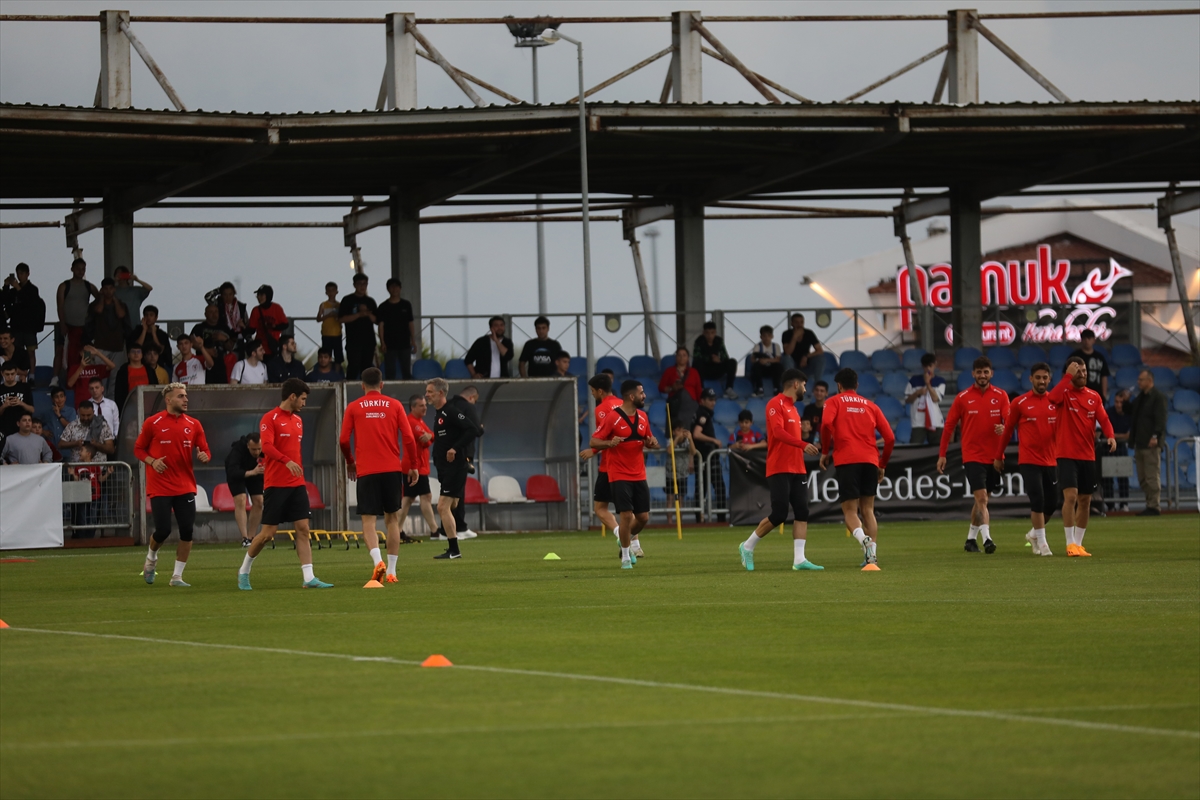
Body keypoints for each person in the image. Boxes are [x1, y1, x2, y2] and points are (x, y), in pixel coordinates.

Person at [237, 378, 333, 590]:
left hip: (297, 484)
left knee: (303, 528)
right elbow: (267, 447)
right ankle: (243, 571)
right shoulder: (269, 418)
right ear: (292, 397)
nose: (304, 403)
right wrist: (286, 461)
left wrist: (294, 466)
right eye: (303, 399)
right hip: (275, 484)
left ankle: (309, 578)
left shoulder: (298, 421)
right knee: (267, 534)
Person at [739, 368, 824, 571]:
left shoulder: (794, 409)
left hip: (797, 468)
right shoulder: (774, 404)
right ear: (795, 384)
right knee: (779, 514)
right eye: (803, 385)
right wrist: (803, 444)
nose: (805, 389)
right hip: (779, 467)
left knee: (802, 511)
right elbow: (777, 433)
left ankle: (799, 560)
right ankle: (747, 546)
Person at [340, 367, 419, 583]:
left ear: (362, 385)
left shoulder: (354, 407)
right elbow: (409, 438)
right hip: (392, 469)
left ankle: (378, 563)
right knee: (392, 520)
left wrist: (350, 462)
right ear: (382, 384)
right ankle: (392, 571)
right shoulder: (394, 405)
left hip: (367, 470)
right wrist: (413, 465)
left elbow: (344, 440)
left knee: (369, 522)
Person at [135, 383, 211, 587]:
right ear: (168, 400)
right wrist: (152, 461)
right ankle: (151, 559)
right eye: (180, 396)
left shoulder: (194, 424)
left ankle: (177, 576)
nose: (185, 399)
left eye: (186, 396)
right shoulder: (153, 422)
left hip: (185, 485)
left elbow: (205, 450)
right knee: (163, 530)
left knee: (187, 530)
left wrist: (204, 455)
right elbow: (139, 449)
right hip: (160, 485)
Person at [819, 367, 894, 570]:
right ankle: (872, 558)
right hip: (870, 460)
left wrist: (825, 450)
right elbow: (890, 438)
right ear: (857, 385)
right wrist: (882, 464)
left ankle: (864, 541)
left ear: (839, 386)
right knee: (868, 509)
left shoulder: (833, 401)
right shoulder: (871, 405)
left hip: (847, 459)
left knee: (850, 511)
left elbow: (826, 424)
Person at [937, 356, 1009, 554]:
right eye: (979, 372)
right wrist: (942, 453)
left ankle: (970, 540)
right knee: (982, 498)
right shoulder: (963, 398)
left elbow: (1009, 419)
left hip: (995, 457)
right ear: (973, 374)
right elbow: (949, 425)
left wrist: (1004, 427)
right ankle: (987, 539)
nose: (982, 375)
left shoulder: (1001, 396)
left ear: (991, 373)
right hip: (972, 455)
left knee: (982, 501)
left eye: (986, 372)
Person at [1048, 358, 1116, 556]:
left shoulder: (1094, 396)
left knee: (1085, 499)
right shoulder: (1064, 394)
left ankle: (1078, 544)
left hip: (1088, 455)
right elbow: (1051, 398)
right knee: (1070, 497)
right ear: (1069, 373)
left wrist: (1110, 435)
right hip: (1066, 455)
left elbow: (1103, 418)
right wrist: (1068, 376)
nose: (1083, 374)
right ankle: (1069, 544)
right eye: (1078, 371)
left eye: (1084, 371)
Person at [591, 379, 660, 569]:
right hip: (619, 473)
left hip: (639, 474)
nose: (644, 395)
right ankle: (626, 558)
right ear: (632, 396)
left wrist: (652, 443)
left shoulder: (643, 417)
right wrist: (609, 443)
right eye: (641, 393)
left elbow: (647, 440)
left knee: (643, 517)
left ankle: (624, 539)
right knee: (627, 515)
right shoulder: (613, 417)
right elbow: (594, 441)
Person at [993, 362, 1059, 556]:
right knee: (1037, 499)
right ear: (1030, 379)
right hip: (1029, 460)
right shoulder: (1019, 403)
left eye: (1044, 377)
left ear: (1049, 379)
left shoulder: (1055, 402)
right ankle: (1043, 543)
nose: (1041, 381)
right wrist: (999, 456)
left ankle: (1033, 534)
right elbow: (1006, 432)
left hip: (1052, 460)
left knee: (1052, 503)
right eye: (1037, 377)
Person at [425, 377, 483, 560]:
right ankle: (453, 547)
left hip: (454, 466)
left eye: (430, 392)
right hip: (444, 467)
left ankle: (454, 549)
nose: (427, 395)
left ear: (440, 393)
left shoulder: (451, 411)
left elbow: (472, 430)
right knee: (450, 506)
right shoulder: (440, 413)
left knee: (442, 507)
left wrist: (455, 448)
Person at [578, 374, 627, 545]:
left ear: (600, 391)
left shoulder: (601, 409)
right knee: (627, 509)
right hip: (627, 464)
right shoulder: (624, 404)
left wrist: (593, 450)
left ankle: (620, 534)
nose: (592, 394)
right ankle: (635, 544)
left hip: (609, 465)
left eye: (592, 391)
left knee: (600, 509)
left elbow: (605, 436)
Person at [396, 393, 440, 541]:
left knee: (408, 498)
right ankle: (434, 531)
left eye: (425, 405)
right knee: (423, 496)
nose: (425, 408)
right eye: (421, 405)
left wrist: (430, 436)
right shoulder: (412, 422)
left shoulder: (419, 421)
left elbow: (431, 436)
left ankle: (397, 531)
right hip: (414, 467)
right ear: (413, 407)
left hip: (419, 466)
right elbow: (425, 441)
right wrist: (430, 436)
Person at [1128, 369, 1167, 517]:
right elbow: (1132, 412)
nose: (1138, 382)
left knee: (1151, 476)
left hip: (1150, 443)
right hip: (1140, 443)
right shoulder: (1141, 398)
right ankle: (1149, 503)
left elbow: (1160, 419)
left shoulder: (1158, 398)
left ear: (1149, 381)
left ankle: (1154, 505)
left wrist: (1155, 436)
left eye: (1141, 380)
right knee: (1143, 477)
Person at [56, 257, 98, 381]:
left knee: (84, 354)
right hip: (68, 326)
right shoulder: (64, 286)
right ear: (72, 269)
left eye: (83, 269)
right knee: (64, 353)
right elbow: (60, 306)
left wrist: (91, 310)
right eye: (78, 269)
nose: (81, 271)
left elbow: (101, 298)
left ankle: (85, 378)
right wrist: (62, 323)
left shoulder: (88, 286)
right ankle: (58, 377)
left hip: (84, 327)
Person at [1, 263, 46, 378]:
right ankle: (17, 374)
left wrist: (18, 288)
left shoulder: (33, 289)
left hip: (29, 327)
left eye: (22, 273)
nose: (20, 276)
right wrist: (6, 286)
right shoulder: (13, 291)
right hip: (16, 326)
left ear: (27, 274)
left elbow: (30, 302)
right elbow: (5, 300)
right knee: (17, 352)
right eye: (18, 274)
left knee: (31, 352)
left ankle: (31, 375)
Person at [691, 387, 727, 521]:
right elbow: (696, 434)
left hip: (704, 457)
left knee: (702, 488)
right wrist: (714, 440)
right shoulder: (703, 414)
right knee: (716, 487)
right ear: (702, 401)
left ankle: (700, 518)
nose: (713, 403)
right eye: (710, 400)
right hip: (707, 457)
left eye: (714, 400)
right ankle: (720, 519)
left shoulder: (702, 413)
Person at [86, 277, 129, 385]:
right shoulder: (95, 304)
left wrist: (114, 300)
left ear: (114, 289)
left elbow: (121, 314)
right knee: (101, 376)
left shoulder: (121, 304)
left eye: (111, 288)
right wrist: (101, 298)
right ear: (102, 289)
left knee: (116, 377)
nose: (108, 291)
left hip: (117, 345)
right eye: (106, 289)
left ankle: (112, 401)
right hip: (101, 346)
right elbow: (98, 310)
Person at [226, 432, 265, 548]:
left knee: (259, 501)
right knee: (241, 499)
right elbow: (232, 472)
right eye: (253, 449)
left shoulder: (266, 449)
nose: (257, 452)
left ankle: (251, 538)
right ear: (248, 445)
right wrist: (251, 472)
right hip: (237, 474)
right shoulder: (237, 450)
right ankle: (244, 538)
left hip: (255, 471)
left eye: (259, 449)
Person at [339, 273, 378, 380]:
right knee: (353, 366)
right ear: (354, 285)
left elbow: (377, 320)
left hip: (369, 340)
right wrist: (359, 314)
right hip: (353, 341)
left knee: (367, 368)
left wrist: (367, 313)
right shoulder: (347, 300)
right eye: (360, 284)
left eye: (365, 284)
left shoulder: (370, 301)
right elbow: (341, 319)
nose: (362, 286)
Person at [377, 278, 416, 381]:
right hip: (389, 343)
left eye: (396, 287)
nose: (394, 289)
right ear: (388, 289)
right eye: (392, 287)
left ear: (400, 288)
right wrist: (382, 342)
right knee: (390, 370)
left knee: (406, 370)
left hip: (404, 342)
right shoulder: (383, 306)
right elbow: (380, 326)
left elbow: (410, 323)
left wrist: (413, 341)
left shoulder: (406, 305)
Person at [905, 353, 946, 445]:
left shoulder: (940, 381)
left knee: (937, 449)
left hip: (935, 421)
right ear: (922, 366)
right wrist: (917, 393)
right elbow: (907, 399)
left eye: (930, 366)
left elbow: (936, 398)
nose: (928, 369)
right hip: (918, 421)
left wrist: (928, 384)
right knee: (915, 449)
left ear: (935, 364)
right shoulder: (914, 380)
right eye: (926, 366)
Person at [659, 346, 701, 431]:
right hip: (675, 407)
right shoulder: (669, 371)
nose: (682, 357)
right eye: (679, 355)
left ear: (688, 357)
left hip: (691, 407)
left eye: (684, 355)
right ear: (676, 357)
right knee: (675, 431)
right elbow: (661, 387)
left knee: (690, 431)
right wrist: (672, 388)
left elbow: (698, 390)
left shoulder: (694, 372)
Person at [663, 420, 697, 528]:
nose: (681, 432)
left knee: (680, 498)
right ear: (674, 432)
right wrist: (676, 439)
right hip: (671, 474)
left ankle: (679, 521)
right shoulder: (670, 440)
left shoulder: (687, 441)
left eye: (682, 429)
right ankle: (669, 522)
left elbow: (693, 452)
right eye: (678, 430)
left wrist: (690, 439)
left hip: (683, 474)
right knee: (670, 498)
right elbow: (669, 450)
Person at [693, 321, 738, 400]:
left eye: (712, 333)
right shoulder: (699, 342)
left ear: (715, 332)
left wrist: (719, 361)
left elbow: (725, 357)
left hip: (716, 368)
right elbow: (697, 357)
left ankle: (729, 388)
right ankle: (701, 389)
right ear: (703, 333)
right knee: (697, 363)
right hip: (704, 370)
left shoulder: (719, 341)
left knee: (732, 362)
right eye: (707, 333)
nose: (710, 335)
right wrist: (710, 359)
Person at [191, 304, 232, 385]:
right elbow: (192, 343)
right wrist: (207, 351)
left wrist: (225, 339)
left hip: (221, 365)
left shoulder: (225, 328)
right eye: (211, 312)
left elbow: (231, 347)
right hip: (203, 365)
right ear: (205, 314)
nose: (214, 314)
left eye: (216, 312)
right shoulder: (199, 327)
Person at [781, 313, 824, 388]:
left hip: (806, 365)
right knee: (786, 358)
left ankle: (818, 385)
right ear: (792, 323)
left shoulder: (809, 333)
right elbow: (788, 352)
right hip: (792, 365)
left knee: (820, 358)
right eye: (796, 322)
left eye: (801, 322)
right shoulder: (786, 334)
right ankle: (791, 385)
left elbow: (819, 350)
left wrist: (806, 356)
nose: (799, 324)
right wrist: (794, 337)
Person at [1105, 389, 1132, 512]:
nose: (1118, 405)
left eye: (1121, 402)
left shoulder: (1129, 413)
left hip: (1122, 448)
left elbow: (1130, 435)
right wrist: (1119, 436)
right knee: (1107, 477)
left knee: (1123, 477)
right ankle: (1110, 505)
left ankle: (1124, 504)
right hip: (1108, 448)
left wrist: (1114, 436)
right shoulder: (1108, 412)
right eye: (1116, 402)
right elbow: (1105, 433)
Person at [248, 284, 289, 358]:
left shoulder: (276, 308)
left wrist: (274, 327)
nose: (258, 297)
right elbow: (252, 329)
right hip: (260, 348)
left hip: (272, 346)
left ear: (268, 296)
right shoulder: (256, 310)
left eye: (261, 295)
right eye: (258, 295)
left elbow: (285, 324)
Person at [1069, 329, 1110, 400]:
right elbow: (1066, 375)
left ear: (1094, 340)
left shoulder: (1099, 357)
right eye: (1084, 338)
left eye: (1089, 338)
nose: (1087, 341)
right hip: (1078, 394)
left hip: (1096, 394)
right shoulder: (1074, 357)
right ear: (1081, 340)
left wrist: (1104, 394)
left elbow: (1104, 376)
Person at [0, 362, 34, 437]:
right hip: (4, 429)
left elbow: (32, 409)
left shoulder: (25, 387)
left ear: (16, 373)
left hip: (22, 430)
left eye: (12, 374)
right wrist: (4, 406)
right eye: (7, 374)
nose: (10, 377)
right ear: (2, 373)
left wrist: (21, 403)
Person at [114, 344, 152, 409]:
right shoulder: (123, 371)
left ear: (142, 355)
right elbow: (118, 393)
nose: (136, 354)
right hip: (129, 405)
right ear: (128, 355)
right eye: (133, 352)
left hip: (148, 404)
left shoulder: (149, 370)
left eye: (138, 352)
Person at [748, 325, 782, 397]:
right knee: (756, 367)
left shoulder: (776, 346)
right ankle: (759, 388)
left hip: (772, 369)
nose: (766, 338)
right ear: (761, 337)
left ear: (772, 336)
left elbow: (778, 359)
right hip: (762, 370)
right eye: (764, 336)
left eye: (768, 336)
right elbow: (753, 359)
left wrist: (767, 360)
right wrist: (759, 361)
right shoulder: (758, 346)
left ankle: (777, 388)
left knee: (778, 366)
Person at [317, 281, 343, 366]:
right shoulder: (323, 305)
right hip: (326, 333)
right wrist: (329, 315)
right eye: (329, 291)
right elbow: (318, 318)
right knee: (326, 354)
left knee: (338, 356)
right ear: (326, 292)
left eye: (333, 290)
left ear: (336, 292)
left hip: (337, 333)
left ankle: (337, 372)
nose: (331, 293)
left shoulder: (340, 305)